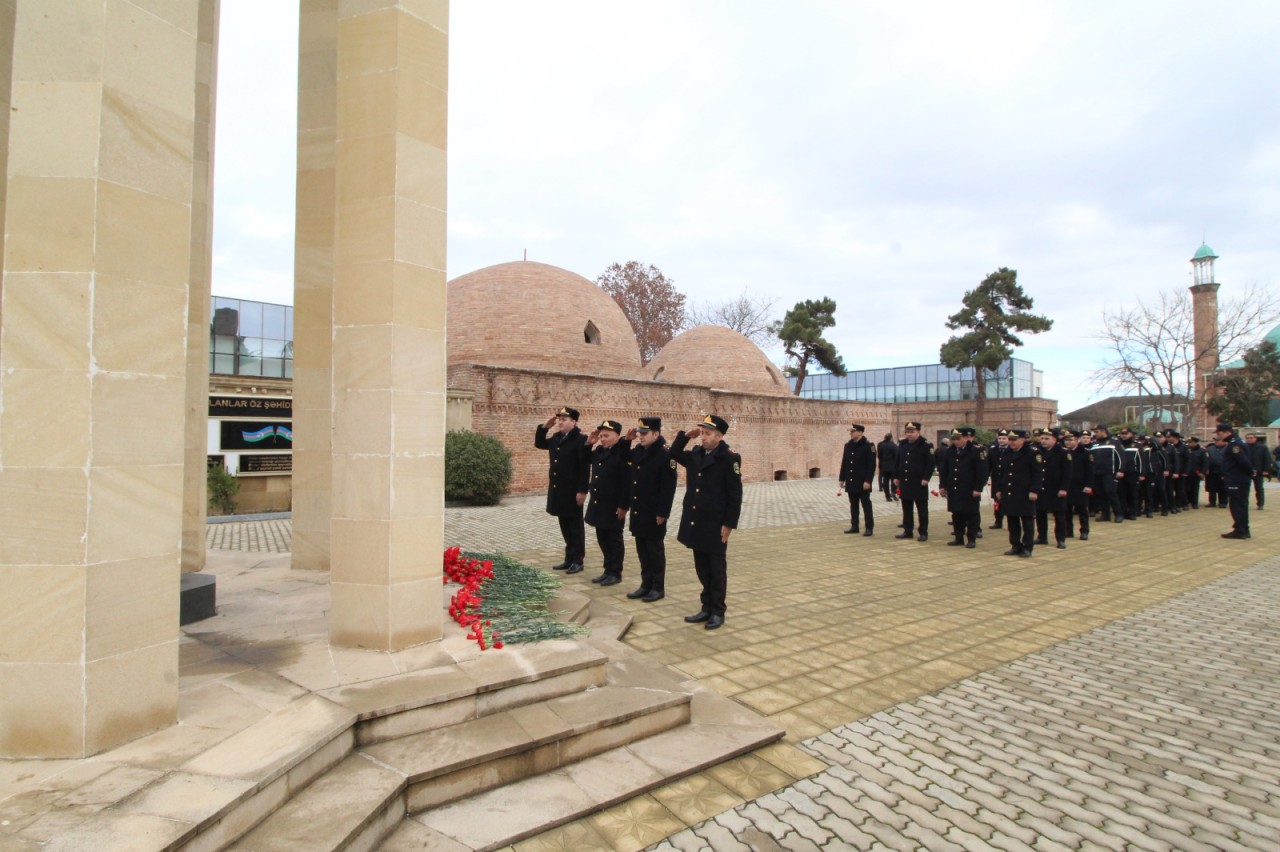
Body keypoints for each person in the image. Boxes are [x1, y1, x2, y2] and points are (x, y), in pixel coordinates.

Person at [670, 415, 742, 630]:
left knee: (716, 570)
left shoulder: (729, 458)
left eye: (707, 433)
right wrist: (685, 437)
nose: (703, 437)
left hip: (715, 523)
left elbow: (735, 494)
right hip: (696, 521)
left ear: (719, 436)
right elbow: (672, 455)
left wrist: (729, 524)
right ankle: (705, 607)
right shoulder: (695, 453)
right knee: (701, 567)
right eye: (701, 433)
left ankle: (718, 611)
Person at [624, 417, 678, 603]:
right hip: (639, 510)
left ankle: (657, 587)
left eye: (645, 433)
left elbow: (668, 488)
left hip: (654, 512)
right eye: (640, 433)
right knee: (642, 549)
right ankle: (645, 584)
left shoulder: (665, 455)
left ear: (656, 433)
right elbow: (623, 457)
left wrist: (663, 513)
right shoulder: (639, 450)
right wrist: (627, 440)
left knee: (654, 551)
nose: (641, 436)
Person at [535, 406, 590, 574]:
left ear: (574, 422)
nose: (560, 421)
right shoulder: (556, 437)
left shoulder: (581, 440)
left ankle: (578, 560)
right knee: (564, 525)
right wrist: (545, 427)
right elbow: (539, 443)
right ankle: (569, 558)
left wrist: (582, 491)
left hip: (573, 491)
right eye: (559, 419)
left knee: (575, 527)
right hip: (558, 491)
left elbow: (584, 468)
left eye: (564, 419)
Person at [584, 419, 631, 587]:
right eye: (601, 436)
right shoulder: (599, 451)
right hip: (599, 503)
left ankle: (615, 572)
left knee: (614, 540)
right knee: (602, 538)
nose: (602, 439)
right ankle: (607, 570)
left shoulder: (622, 453)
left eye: (606, 435)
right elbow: (583, 459)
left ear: (617, 436)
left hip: (614, 505)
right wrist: (589, 443)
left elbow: (627, 483)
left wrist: (624, 506)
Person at [938, 427, 987, 548]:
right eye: (954, 439)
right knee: (956, 514)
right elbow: (945, 469)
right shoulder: (950, 451)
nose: (956, 442)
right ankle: (958, 538)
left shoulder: (976, 451)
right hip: (954, 487)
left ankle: (971, 539)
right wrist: (942, 485)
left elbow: (982, 472)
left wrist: (978, 488)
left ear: (965, 438)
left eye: (958, 439)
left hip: (969, 488)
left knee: (971, 515)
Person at [996, 429, 1042, 557]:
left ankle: (1027, 547)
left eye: (1014, 440)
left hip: (1025, 492)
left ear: (1023, 440)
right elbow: (1002, 473)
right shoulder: (1006, 453)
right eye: (1010, 440)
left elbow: (1037, 474)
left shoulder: (1032, 453)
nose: (1011, 442)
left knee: (1027, 522)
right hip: (1010, 492)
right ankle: (1015, 545)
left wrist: (1034, 490)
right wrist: (999, 489)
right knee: (1012, 521)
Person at [894, 422, 935, 542]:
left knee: (922, 509)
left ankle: (923, 532)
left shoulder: (926, 445)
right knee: (906, 508)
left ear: (918, 432)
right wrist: (896, 476)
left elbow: (931, 463)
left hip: (919, 482)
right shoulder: (902, 444)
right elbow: (898, 461)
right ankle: (908, 530)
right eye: (907, 432)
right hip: (905, 481)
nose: (909, 434)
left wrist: (926, 478)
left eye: (912, 432)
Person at [1035, 428, 1073, 549]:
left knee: (1059, 515)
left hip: (1056, 488)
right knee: (1040, 513)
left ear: (1055, 440)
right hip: (1041, 487)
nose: (1043, 441)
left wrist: (1064, 488)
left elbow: (1068, 473)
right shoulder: (1037, 451)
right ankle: (1042, 536)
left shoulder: (1063, 452)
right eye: (1042, 438)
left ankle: (1060, 539)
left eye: (1047, 439)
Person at [838, 424, 877, 536]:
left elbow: (872, 465)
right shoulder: (848, 445)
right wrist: (842, 478)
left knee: (866, 504)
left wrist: (868, 481)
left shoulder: (868, 445)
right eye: (850, 431)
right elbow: (844, 462)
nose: (851, 433)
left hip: (862, 480)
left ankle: (869, 527)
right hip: (851, 479)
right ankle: (854, 526)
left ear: (860, 432)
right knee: (853, 504)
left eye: (853, 431)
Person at [1218, 422, 1254, 539]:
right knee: (1241, 504)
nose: (1219, 436)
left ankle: (1240, 530)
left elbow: (1242, 461)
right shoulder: (1237, 441)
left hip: (1236, 479)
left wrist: (1250, 472)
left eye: (1220, 433)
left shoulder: (1234, 444)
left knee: (1237, 505)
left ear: (1228, 432)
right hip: (1239, 479)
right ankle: (1243, 529)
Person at [1063, 431, 1094, 540]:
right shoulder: (1063, 452)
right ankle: (1068, 530)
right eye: (1066, 440)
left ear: (1077, 441)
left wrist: (1089, 485)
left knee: (1082, 510)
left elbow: (1090, 471)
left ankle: (1084, 531)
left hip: (1081, 485)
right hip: (1067, 485)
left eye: (1070, 440)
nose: (1067, 442)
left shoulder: (1085, 452)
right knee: (1067, 510)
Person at [1089, 425, 1123, 523]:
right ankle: (1105, 514)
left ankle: (1118, 514)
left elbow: (1121, 457)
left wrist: (1121, 470)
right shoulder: (1094, 444)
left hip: (1110, 472)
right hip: (1097, 473)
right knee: (1100, 494)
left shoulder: (1114, 442)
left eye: (1097, 432)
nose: (1095, 434)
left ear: (1103, 431)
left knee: (1110, 492)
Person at [988, 430, 1009, 529]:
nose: (1001, 440)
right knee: (997, 501)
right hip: (996, 479)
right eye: (1000, 438)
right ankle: (998, 521)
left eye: (1004, 438)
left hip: (1008, 479)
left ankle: (1011, 521)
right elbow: (988, 465)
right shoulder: (993, 450)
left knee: (1009, 500)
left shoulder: (1011, 449)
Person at [1245, 432, 1269, 509]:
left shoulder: (1262, 447)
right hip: (1246, 471)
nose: (1249, 439)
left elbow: (1267, 459)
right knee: (1245, 489)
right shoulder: (1243, 447)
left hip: (1259, 471)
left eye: (1251, 438)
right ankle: (1245, 503)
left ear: (1255, 438)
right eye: (1247, 438)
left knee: (1259, 488)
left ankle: (1260, 504)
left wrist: (1266, 470)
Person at [1184, 435, 1207, 509]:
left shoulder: (1202, 451)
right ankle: (1186, 502)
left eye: (1190, 442)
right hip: (1187, 473)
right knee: (1186, 488)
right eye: (1188, 442)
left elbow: (1205, 462)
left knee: (1195, 489)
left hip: (1196, 473)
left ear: (1195, 442)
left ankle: (1195, 503)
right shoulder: (1186, 450)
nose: (1189, 444)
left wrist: (1203, 472)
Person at [877, 433, 899, 502]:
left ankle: (887, 496)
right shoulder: (893, 446)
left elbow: (879, 456)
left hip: (884, 466)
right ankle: (893, 492)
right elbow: (897, 456)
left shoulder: (881, 445)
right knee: (893, 480)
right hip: (892, 466)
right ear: (891, 438)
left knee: (885, 481)